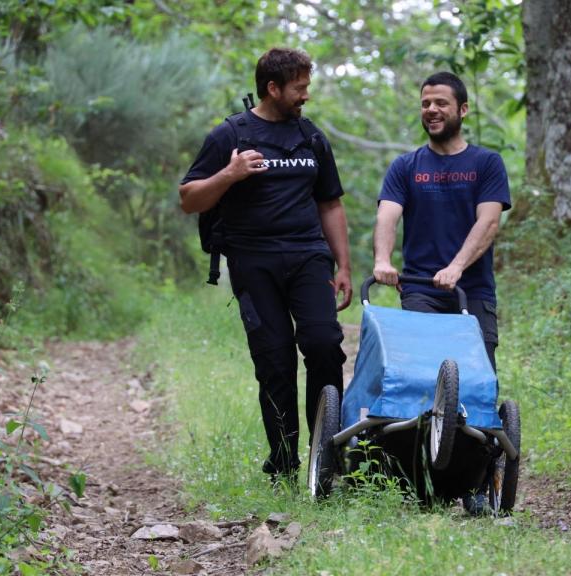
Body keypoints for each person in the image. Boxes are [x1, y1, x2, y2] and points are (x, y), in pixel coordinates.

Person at [179, 47, 351, 484]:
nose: (305, 95)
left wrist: (344, 266)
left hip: (309, 256)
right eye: (299, 87)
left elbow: (329, 203)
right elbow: (189, 198)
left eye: (306, 86)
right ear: (272, 88)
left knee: (324, 344)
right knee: (274, 361)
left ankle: (325, 457)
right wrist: (229, 175)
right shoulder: (230, 136)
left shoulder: (311, 137)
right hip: (253, 262)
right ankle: (283, 463)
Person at [373, 71, 511, 372]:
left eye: (440, 103)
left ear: (462, 109)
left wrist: (456, 268)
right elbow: (387, 214)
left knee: (479, 380)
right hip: (420, 289)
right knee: (424, 374)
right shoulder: (405, 166)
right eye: (425, 104)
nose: (431, 110)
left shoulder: (487, 163)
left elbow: (488, 223)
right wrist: (383, 260)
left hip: (473, 290)